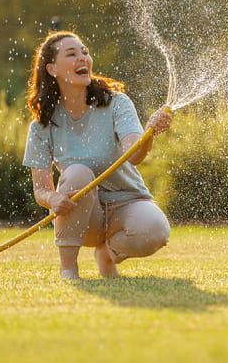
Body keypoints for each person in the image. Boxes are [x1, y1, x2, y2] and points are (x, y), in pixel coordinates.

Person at [23, 31, 174, 280]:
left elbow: (133, 156)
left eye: (85, 52)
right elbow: (41, 190)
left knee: (155, 230)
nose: (83, 58)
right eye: (71, 54)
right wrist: (53, 199)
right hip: (83, 218)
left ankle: (107, 253)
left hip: (127, 203)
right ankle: (69, 268)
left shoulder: (117, 103)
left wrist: (150, 134)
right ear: (52, 69)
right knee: (77, 173)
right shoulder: (41, 126)